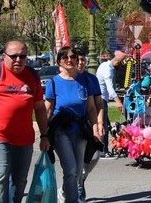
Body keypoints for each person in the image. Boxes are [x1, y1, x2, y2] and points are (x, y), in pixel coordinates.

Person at [0, 40, 50, 203]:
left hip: (24, 138)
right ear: (4, 56)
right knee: (0, 173)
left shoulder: (32, 75)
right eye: (14, 56)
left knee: (19, 180)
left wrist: (44, 135)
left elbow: (40, 108)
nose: (18, 60)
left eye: (22, 56)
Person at [45, 46, 101, 203]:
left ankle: (68, 195)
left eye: (72, 57)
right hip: (60, 130)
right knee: (70, 169)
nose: (69, 60)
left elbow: (91, 107)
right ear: (59, 62)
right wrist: (43, 134)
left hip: (81, 130)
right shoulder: (54, 83)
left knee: (77, 171)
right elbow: (47, 110)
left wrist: (96, 127)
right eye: (65, 58)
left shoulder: (84, 81)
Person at [75, 48, 105, 201]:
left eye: (82, 60)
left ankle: (80, 180)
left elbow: (98, 104)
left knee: (94, 156)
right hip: (75, 126)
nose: (80, 63)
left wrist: (99, 123)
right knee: (78, 158)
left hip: (91, 124)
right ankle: (78, 188)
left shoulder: (91, 79)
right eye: (77, 60)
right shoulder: (69, 79)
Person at [96, 51, 126, 158]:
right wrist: (118, 102)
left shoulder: (106, 66)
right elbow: (109, 88)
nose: (121, 66)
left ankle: (103, 148)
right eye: (121, 64)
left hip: (103, 98)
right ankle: (102, 150)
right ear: (117, 62)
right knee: (103, 124)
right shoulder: (107, 70)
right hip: (101, 99)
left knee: (106, 124)